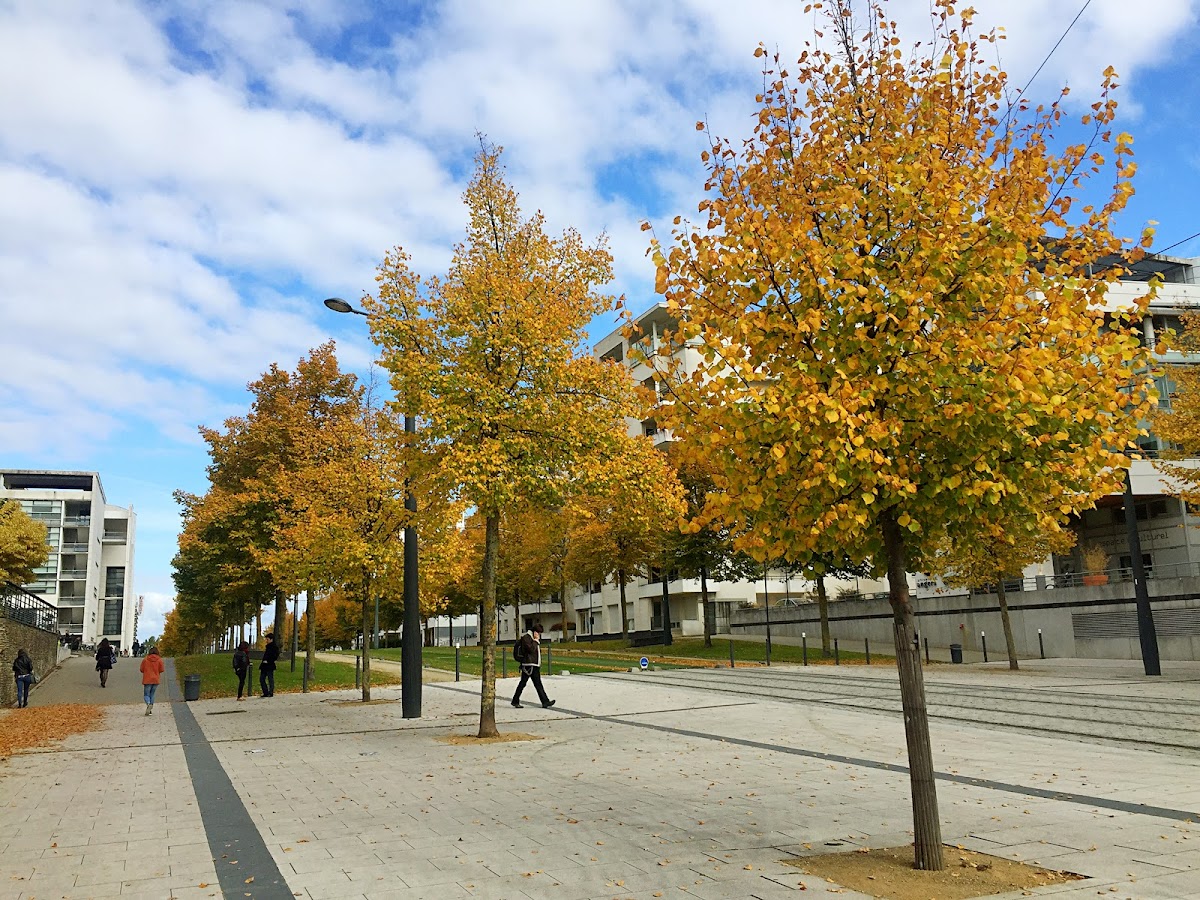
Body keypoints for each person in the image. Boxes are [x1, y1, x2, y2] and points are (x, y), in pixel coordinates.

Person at [511, 623, 555, 710]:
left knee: (531, 683)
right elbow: (531, 650)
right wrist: (535, 641)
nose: (539, 635)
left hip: (533, 664)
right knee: (529, 683)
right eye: (538, 633)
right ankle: (544, 701)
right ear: (535, 632)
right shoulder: (527, 638)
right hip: (529, 665)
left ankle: (544, 701)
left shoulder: (530, 638)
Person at [140, 646, 165, 715]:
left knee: (146, 694)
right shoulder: (159, 660)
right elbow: (162, 669)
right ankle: (150, 707)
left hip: (147, 679)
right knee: (152, 694)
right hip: (156, 679)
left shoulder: (145, 660)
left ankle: (148, 704)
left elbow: (141, 669)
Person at [259, 633, 279, 697]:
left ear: (271, 639)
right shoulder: (268, 647)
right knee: (262, 679)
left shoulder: (274, 647)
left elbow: (275, 656)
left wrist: (268, 660)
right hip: (265, 665)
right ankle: (266, 692)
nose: (266, 641)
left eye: (267, 639)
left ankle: (270, 692)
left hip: (269, 665)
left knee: (270, 679)